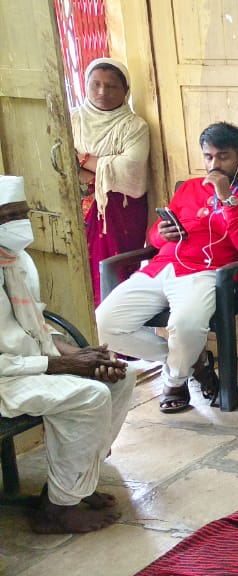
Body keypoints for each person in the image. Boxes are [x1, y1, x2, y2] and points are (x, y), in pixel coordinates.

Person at [96, 122, 238, 414]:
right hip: (161, 267)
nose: (214, 164)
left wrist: (227, 200)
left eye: (223, 156)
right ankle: (196, 363)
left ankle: (174, 381)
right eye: (209, 156)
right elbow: (154, 237)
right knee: (104, 324)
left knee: (186, 326)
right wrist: (161, 234)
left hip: (207, 271)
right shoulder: (190, 188)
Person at [0, 175, 132, 534]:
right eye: (6, 216)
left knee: (121, 377)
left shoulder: (17, 260)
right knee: (89, 396)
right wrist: (64, 364)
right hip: (7, 378)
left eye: (21, 213)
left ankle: (72, 485)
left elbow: (36, 325)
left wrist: (83, 354)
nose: (18, 224)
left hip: (32, 365)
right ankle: (57, 513)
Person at [72, 58, 150, 305]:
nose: (102, 92)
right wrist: (97, 168)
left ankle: (115, 323)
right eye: (95, 84)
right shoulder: (71, 120)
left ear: (125, 91)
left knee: (115, 278)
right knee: (75, 274)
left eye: (112, 86)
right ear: (85, 85)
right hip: (76, 207)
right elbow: (56, 159)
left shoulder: (133, 127)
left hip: (119, 213)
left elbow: (130, 168)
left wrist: (82, 159)